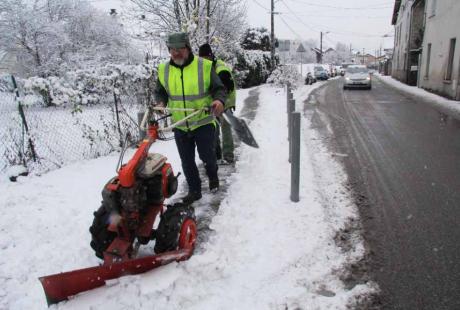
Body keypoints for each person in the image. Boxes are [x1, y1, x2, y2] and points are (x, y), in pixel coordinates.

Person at [154, 32, 227, 204]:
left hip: (202, 121)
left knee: (207, 157)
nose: (176, 53)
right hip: (180, 124)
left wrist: (218, 100)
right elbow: (160, 91)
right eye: (172, 49)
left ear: (188, 48)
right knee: (186, 161)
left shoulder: (204, 66)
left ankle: (213, 176)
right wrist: (160, 102)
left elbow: (219, 88)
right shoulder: (164, 69)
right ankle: (195, 191)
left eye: (180, 49)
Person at [198, 43, 236, 164]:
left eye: (205, 58)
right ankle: (216, 154)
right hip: (213, 104)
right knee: (213, 129)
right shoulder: (204, 67)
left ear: (210, 56)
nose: (203, 60)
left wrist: (219, 101)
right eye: (201, 58)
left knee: (225, 128)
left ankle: (228, 155)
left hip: (226, 102)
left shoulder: (221, 69)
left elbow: (226, 88)